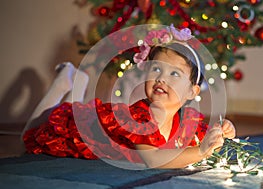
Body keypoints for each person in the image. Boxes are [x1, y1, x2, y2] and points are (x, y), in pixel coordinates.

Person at [22, 25, 235, 169]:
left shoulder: (189, 120)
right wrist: (201, 152)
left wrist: (223, 129)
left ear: (192, 91)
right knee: (33, 130)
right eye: (156, 70)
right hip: (76, 130)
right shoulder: (144, 117)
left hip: (91, 118)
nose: (162, 79)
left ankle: (75, 82)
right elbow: (153, 160)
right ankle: (62, 83)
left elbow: (209, 137)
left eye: (175, 74)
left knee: (73, 107)